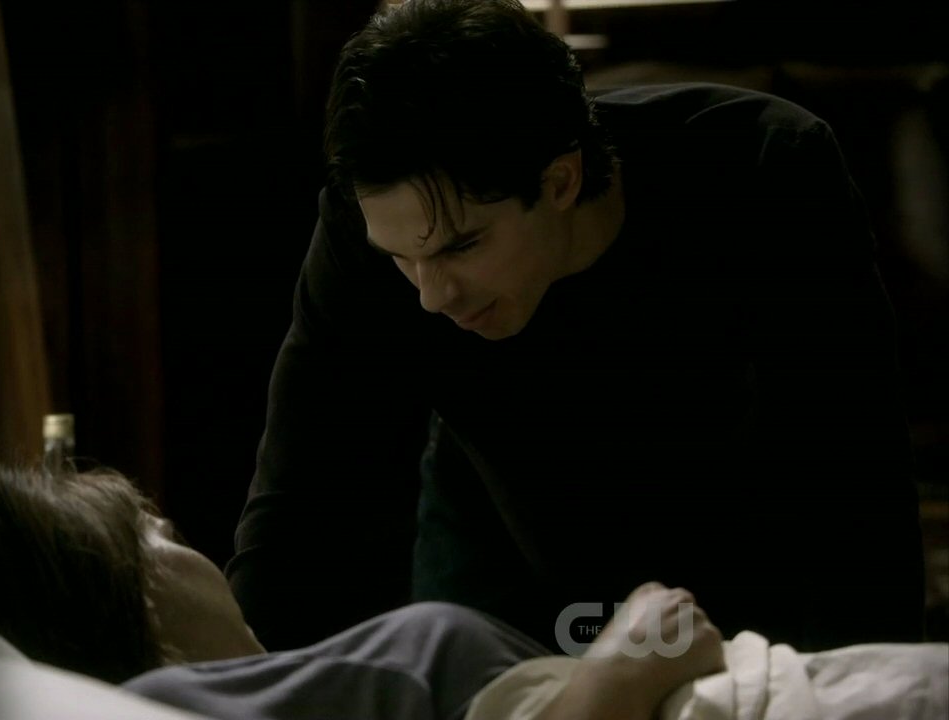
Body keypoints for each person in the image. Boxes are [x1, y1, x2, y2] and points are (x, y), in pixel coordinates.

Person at [225, 0, 926, 655]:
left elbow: (855, 482)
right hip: (500, 546)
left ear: (560, 181)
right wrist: (239, 688)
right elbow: (299, 500)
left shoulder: (764, 170)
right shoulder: (370, 231)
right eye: (401, 258)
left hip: (737, 552)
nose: (431, 296)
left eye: (462, 246)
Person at [0, 464, 726, 720]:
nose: (201, 556)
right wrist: (612, 681)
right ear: (142, 600)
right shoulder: (167, 697)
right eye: (161, 533)